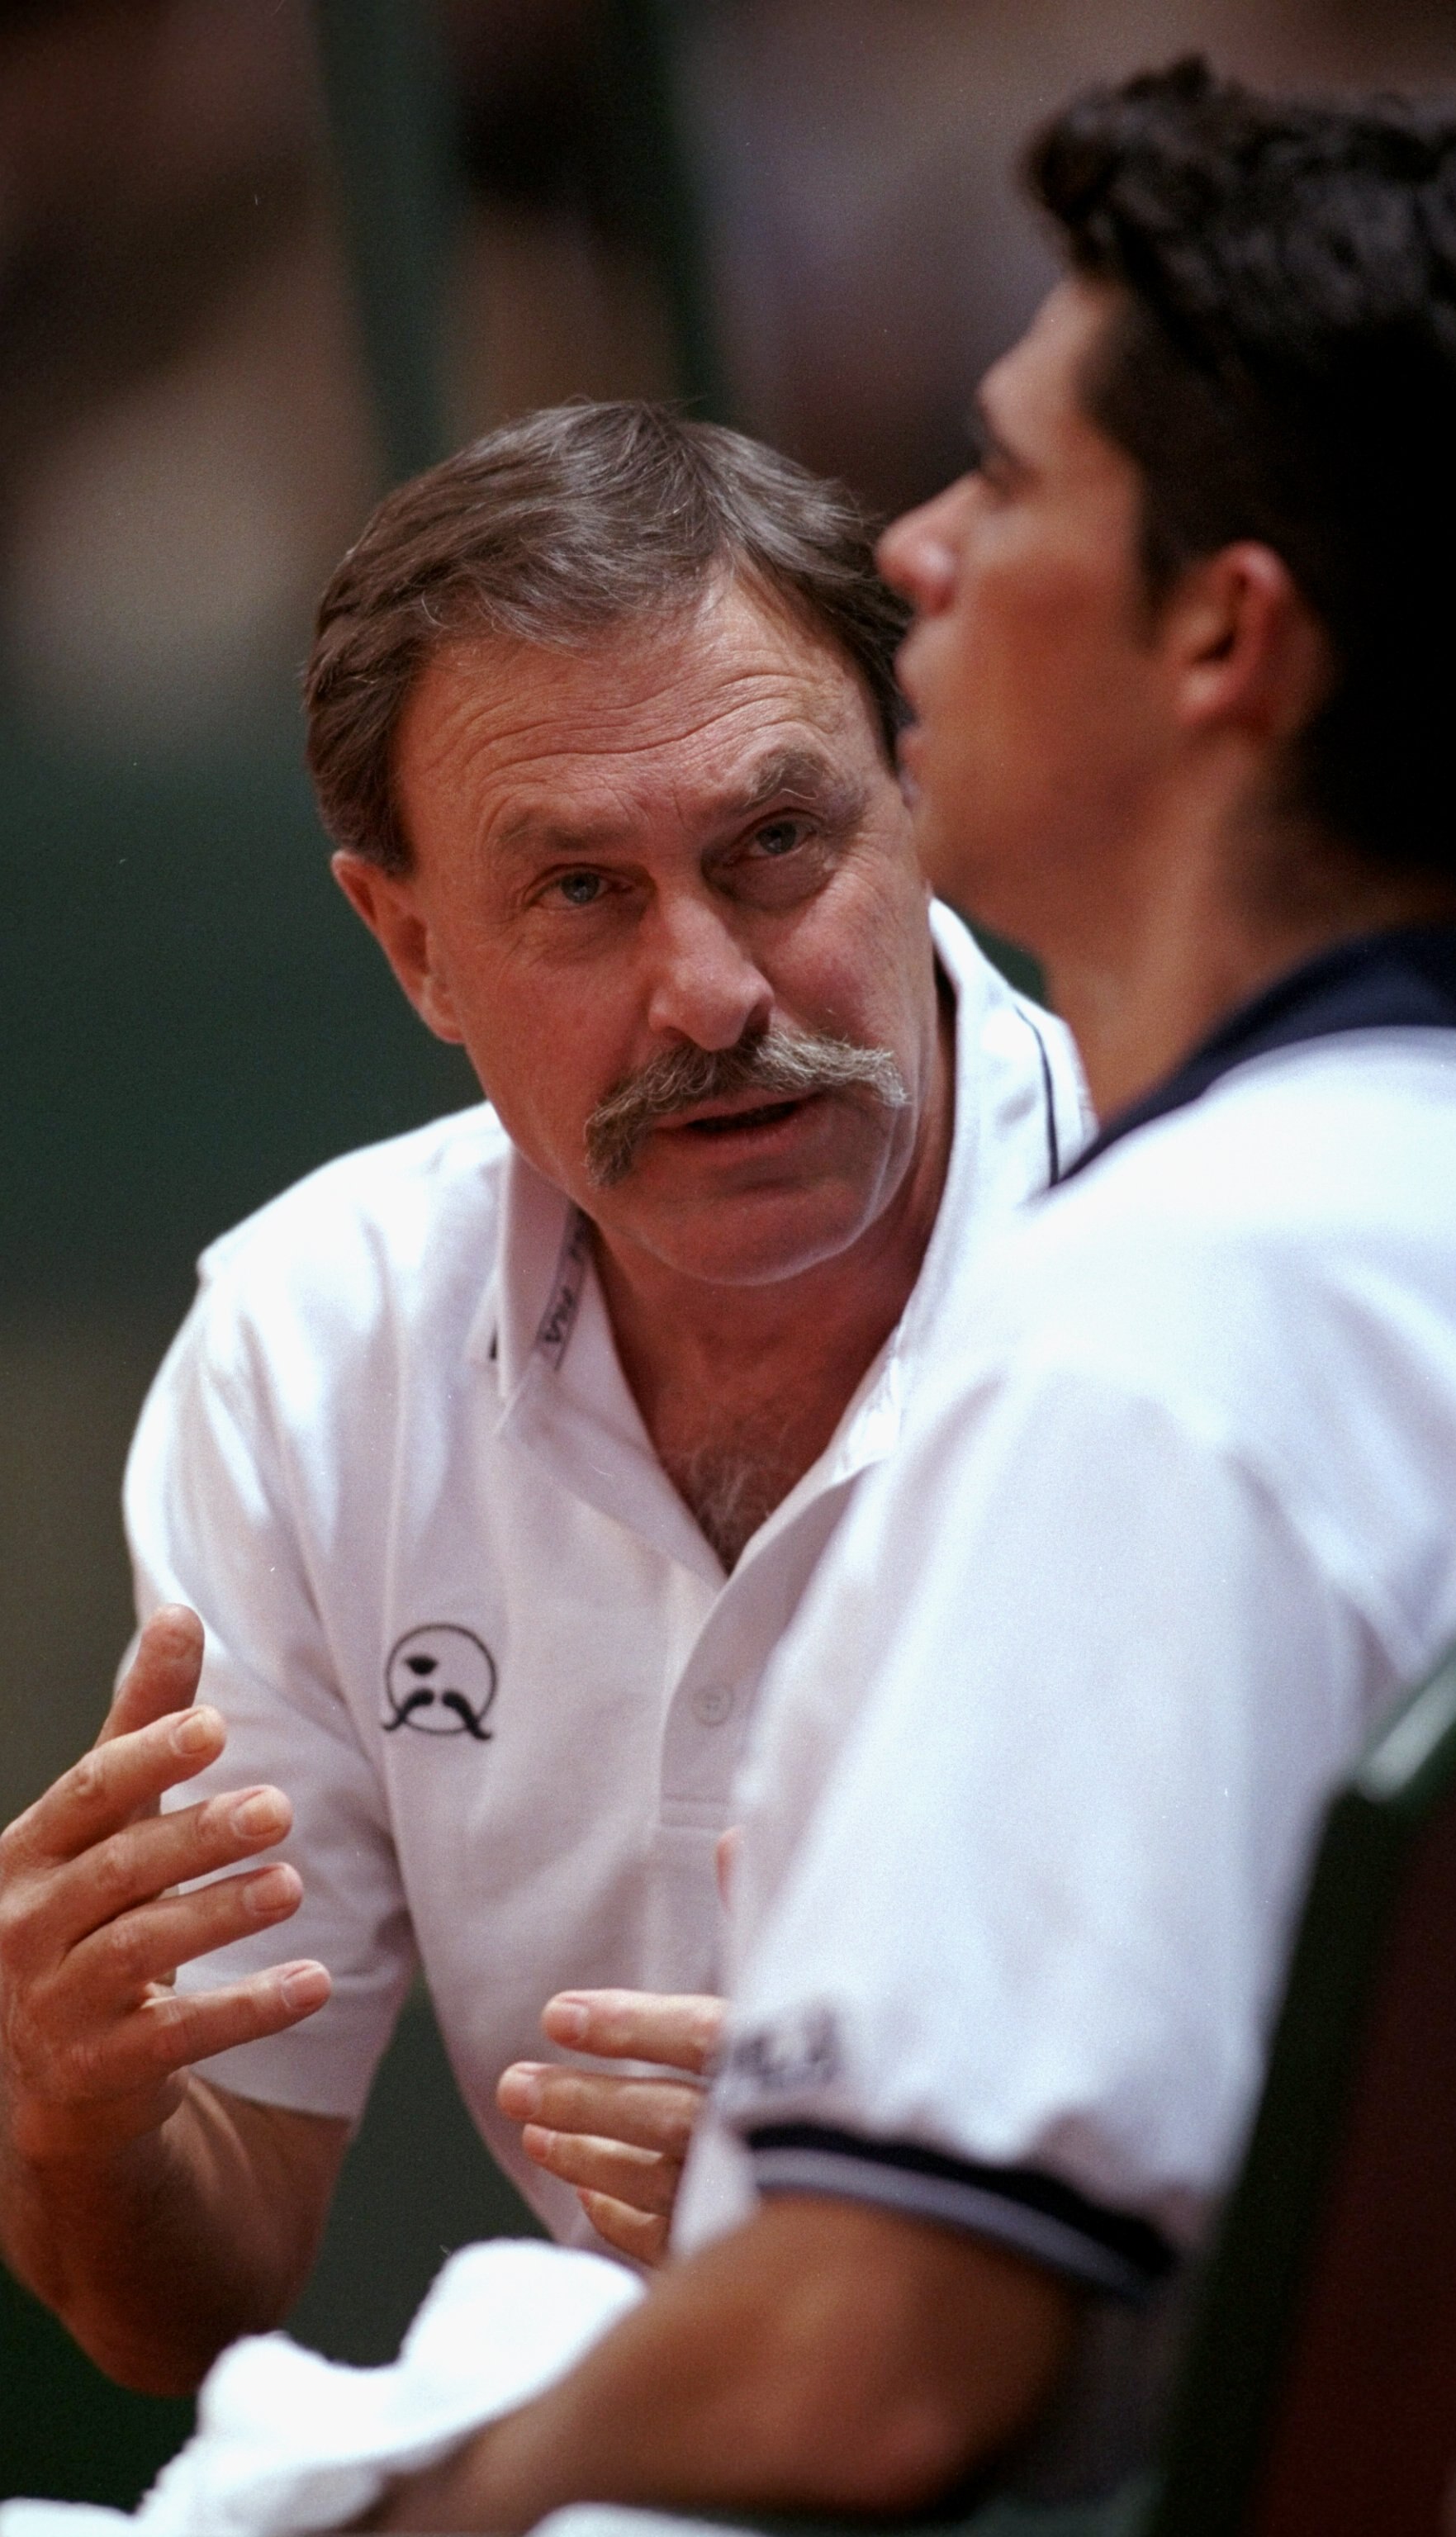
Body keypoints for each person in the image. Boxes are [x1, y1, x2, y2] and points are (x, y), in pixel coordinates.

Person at [362, 58, 1456, 2533]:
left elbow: (874, 2368)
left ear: (1228, 634)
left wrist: (404, 2508)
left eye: (1012, 477)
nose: (922, 547)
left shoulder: (1146, 1347)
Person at [0, 406, 1089, 2392]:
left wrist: (928, 2254)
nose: (709, 993)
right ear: (410, 944)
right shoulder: (310, 1350)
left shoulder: (1224, 1297)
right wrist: (79, 2126)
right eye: (578, 893)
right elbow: (190, 2296)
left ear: (916, 785)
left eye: (775, 843)